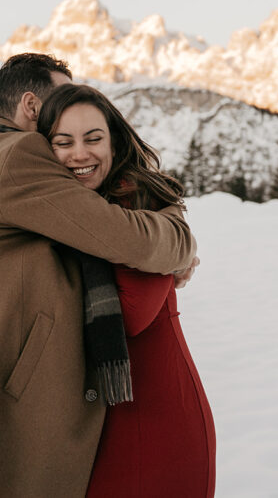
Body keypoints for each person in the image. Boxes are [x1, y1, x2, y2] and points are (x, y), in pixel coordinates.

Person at [0, 54, 198, 497]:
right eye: (59, 100)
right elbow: (127, 238)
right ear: (32, 106)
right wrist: (178, 239)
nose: (67, 110)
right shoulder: (18, 155)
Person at [37, 83, 216, 497]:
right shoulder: (64, 215)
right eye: (63, 142)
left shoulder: (137, 203)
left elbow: (131, 314)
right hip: (99, 424)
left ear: (114, 141)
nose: (80, 154)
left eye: (93, 138)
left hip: (155, 419)